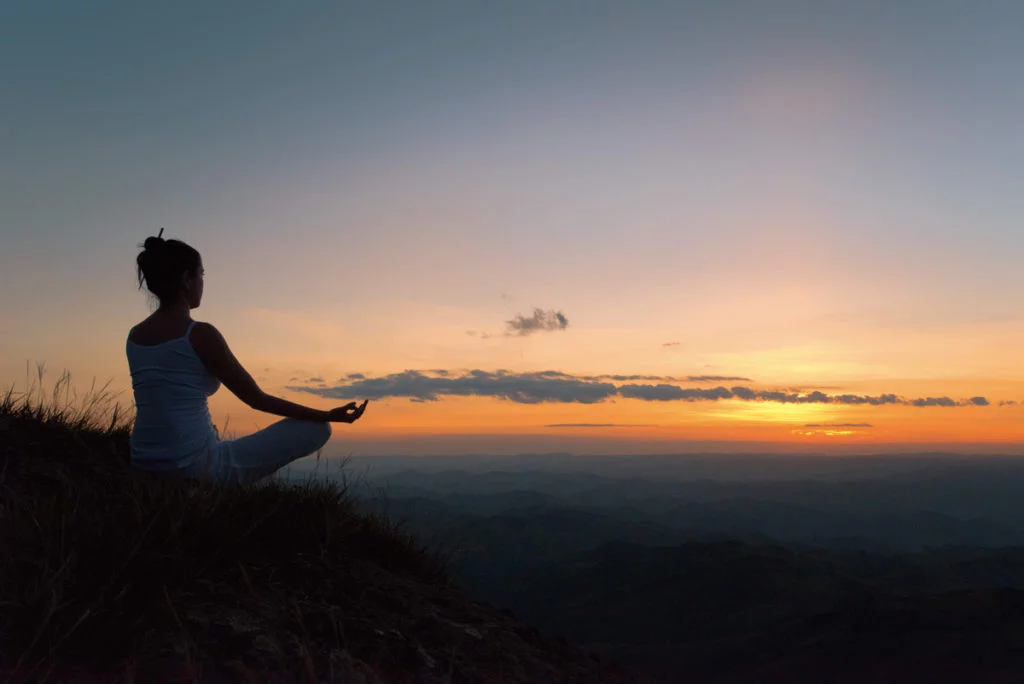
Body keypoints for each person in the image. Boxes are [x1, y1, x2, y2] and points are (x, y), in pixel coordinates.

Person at [126, 229, 368, 485]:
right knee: (318, 429)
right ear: (187, 279)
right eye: (202, 275)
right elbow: (256, 399)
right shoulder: (199, 335)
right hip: (194, 468)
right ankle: (213, 491)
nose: (203, 283)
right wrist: (327, 415)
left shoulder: (135, 336)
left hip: (142, 462)